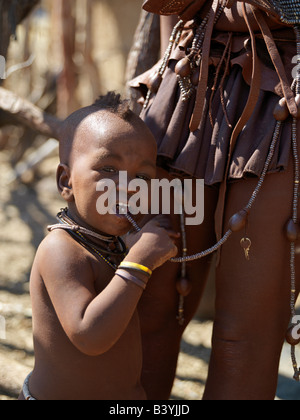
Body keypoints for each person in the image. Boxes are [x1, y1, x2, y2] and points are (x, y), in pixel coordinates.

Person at [131, 0, 300, 400]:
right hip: (189, 76)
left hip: (288, 92)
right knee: (148, 308)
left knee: (242, 337)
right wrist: (166, 70)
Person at [18, 92, 179, 400]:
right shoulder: (61, 249)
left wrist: (135, 253)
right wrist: (139, 263)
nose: (127, 186)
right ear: (66, 182)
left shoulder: (113, 247)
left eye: (142, 176)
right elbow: (89, 335)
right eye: (108, 169)